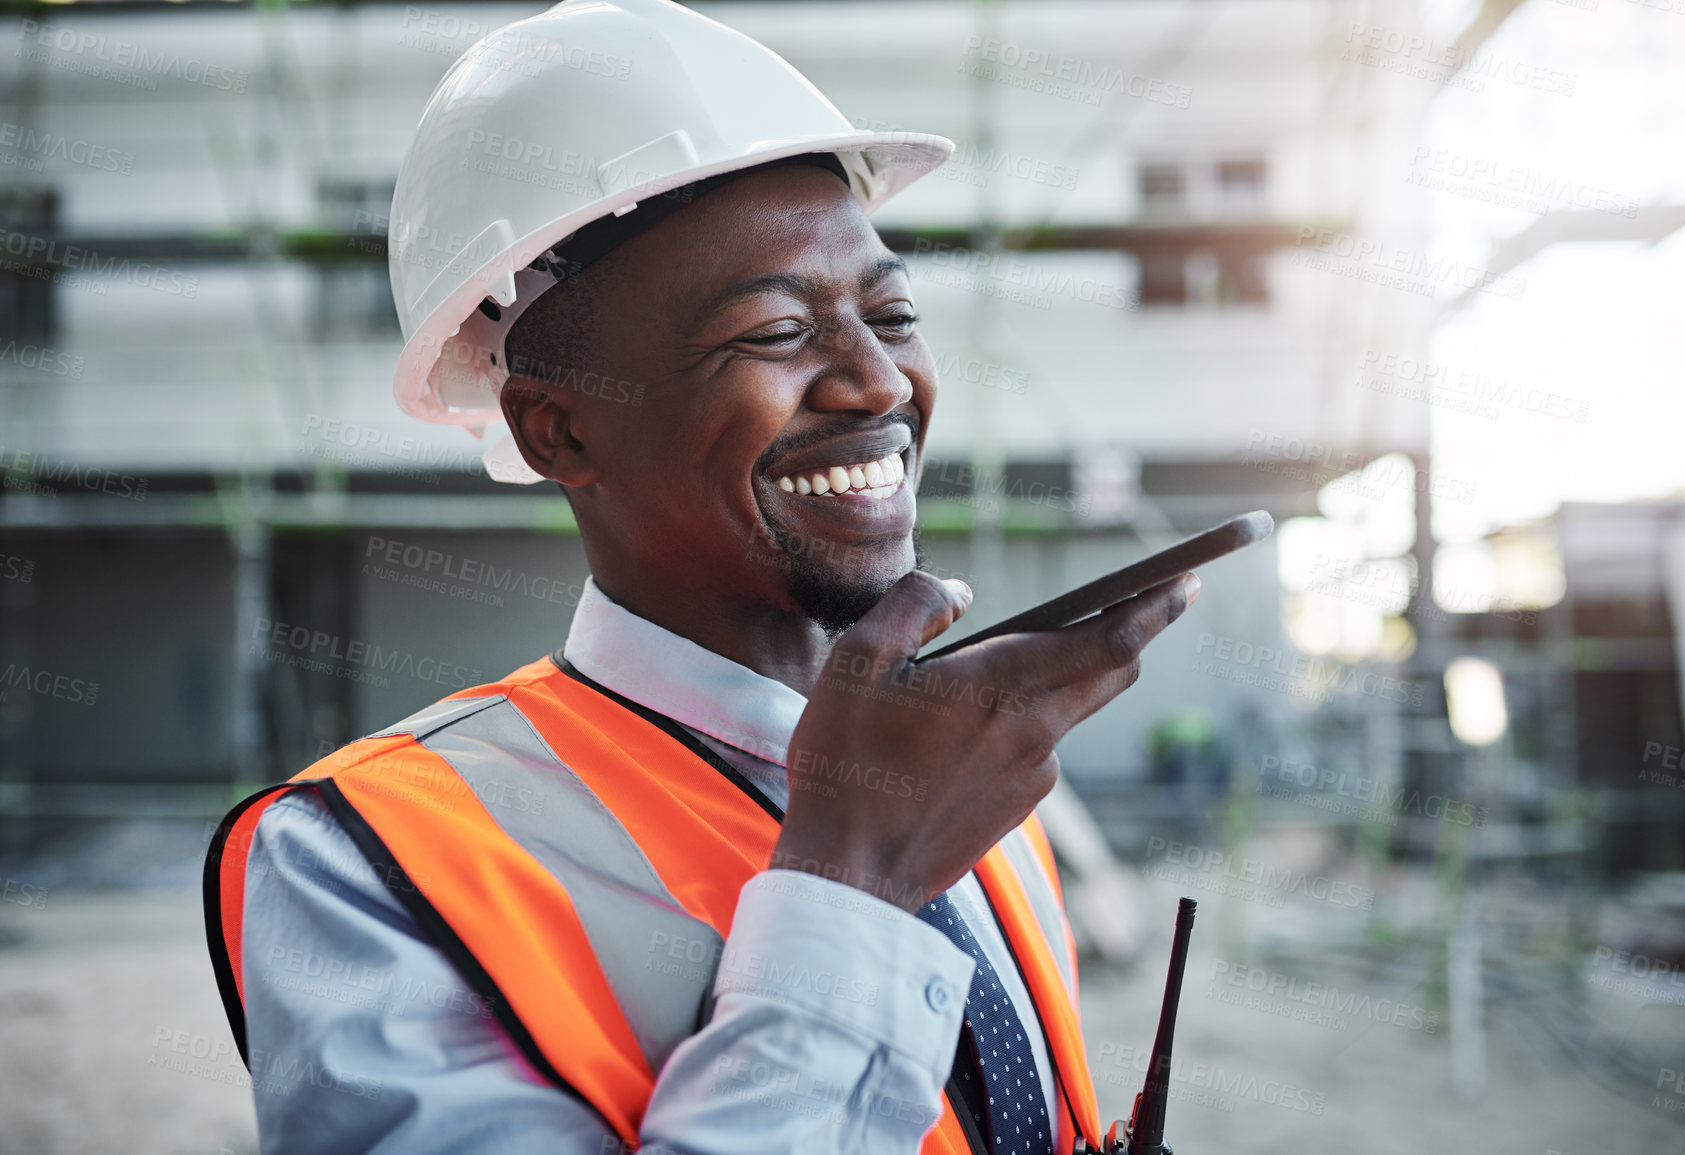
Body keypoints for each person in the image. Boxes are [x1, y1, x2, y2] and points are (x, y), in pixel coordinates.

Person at [204, 3, 1200, 1152]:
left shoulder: (969, 773)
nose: (878, 383)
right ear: (557, 431)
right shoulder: (373, 861)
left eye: (894, 313)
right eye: (775, 333)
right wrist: (853, 889)